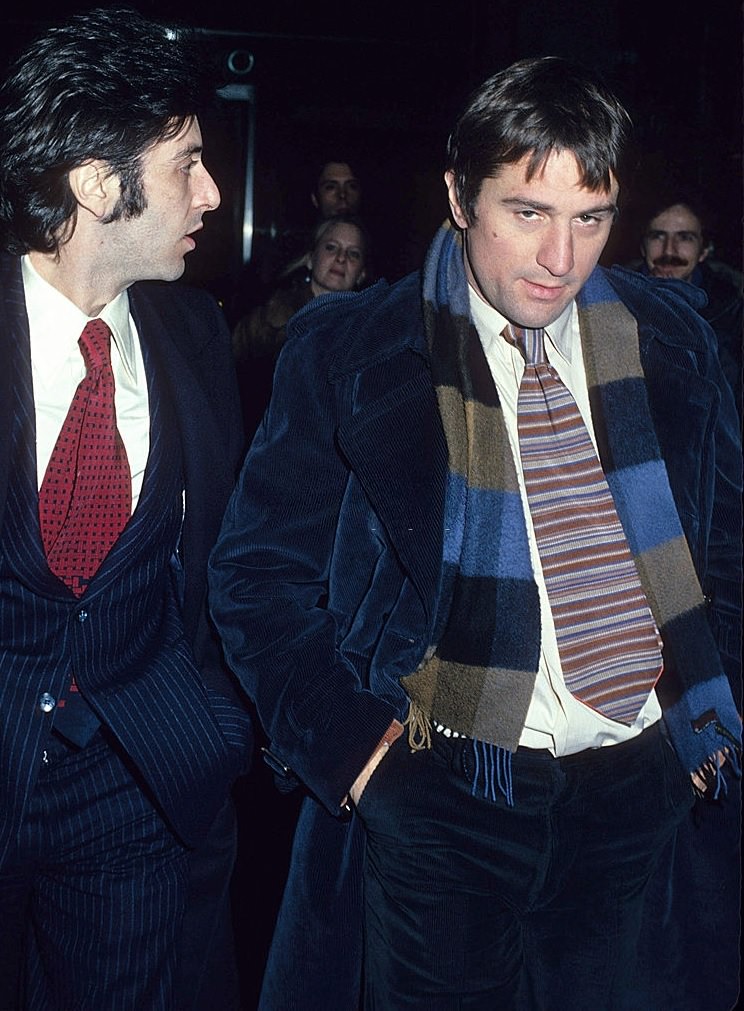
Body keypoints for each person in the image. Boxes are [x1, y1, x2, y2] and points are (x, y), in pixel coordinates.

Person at [208, 56, 741, 1011]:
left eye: (591, 217)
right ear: (460, 195)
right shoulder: (349, 349)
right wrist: (361, 758)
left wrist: (692, 729)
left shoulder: (676, 336)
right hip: (442, 790)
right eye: (528, 212)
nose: (560, 258)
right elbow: (255, 580)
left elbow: (729, 555)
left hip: (639, 789)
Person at [0, 8, 252, 1010]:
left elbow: (221, 559)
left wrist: (211, 724)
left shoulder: (195, 332)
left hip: (134, 783)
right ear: (101, 184)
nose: (212, 191)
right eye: (188, 162)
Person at [232, 214, 369, 443]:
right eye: (331, 247)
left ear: (362, 273)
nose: (341, 258)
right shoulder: (268, 319)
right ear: (310, 258)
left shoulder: (370, 334)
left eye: (353, 253)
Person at [636, 195, 742, 413]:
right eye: (658, 237)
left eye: (684, 238)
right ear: (642, 247)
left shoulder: (733, 310)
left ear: (704, 250)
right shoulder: (613, 299)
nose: (669, 251)